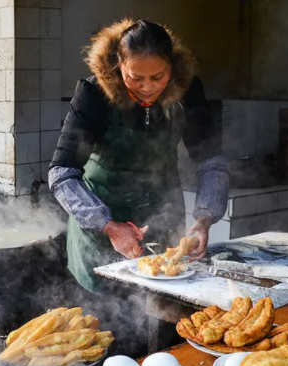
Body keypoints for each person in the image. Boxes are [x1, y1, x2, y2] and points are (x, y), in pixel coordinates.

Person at [49, 19, 230, 293]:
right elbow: (61, 172)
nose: (147, 87)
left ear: (172, 67)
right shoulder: (93, 94)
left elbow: (211, 161)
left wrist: (205, 219)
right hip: (101, 225)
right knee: (103, 319)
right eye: (135, 77)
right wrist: (107, 225)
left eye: (158, 77)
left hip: (162, 217)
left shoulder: (188, 91)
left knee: (161, 313)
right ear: (118, 66)